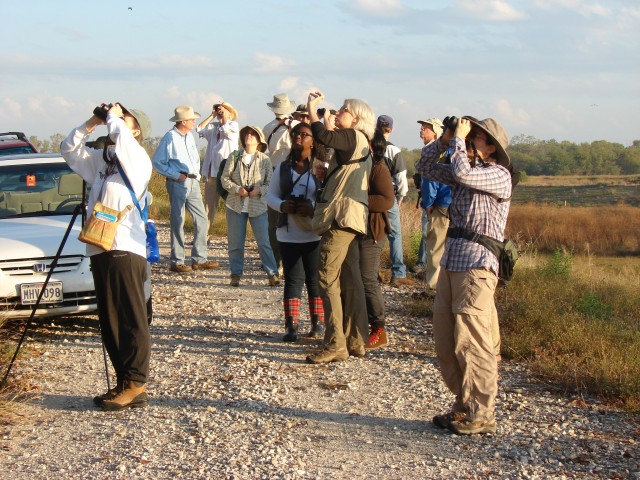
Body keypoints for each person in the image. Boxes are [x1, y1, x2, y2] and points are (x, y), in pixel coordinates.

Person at [416, 116, 512, 435]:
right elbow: (427, 167)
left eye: (476, 137)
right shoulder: (466, 169)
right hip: (453, 259)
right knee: (446, 338)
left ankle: (482, 411)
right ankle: (463, 403)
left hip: (477, 263)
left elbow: (461, 172)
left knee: (473, 339)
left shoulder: (499, 175)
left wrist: (458, 139)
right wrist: (444, 140)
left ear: (491, 146)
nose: (469, 141)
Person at [60, 102, 152, 410]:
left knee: (131, 317)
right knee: (110, 319)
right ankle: (124, 381)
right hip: (99, 246)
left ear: (135, 130)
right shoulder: (103, 160)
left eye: (126, 118)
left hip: (126, 247)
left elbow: (122, 137)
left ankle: (137, 382)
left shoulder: (137, 158)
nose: (116, 121)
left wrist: (115, 117)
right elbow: (69, 150)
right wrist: (92, 122)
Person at [305, 92, 374, 364]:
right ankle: (354, 340)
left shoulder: (353, 136)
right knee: (346, 278)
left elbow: (324, 137)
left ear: (356, 118)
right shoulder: (360, 144)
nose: (338, 112)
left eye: (344, 109)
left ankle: (336, 344)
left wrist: (314, 112)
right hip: (353, 218)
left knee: (326, 277)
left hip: (341, 217)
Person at [267, 122, 325, 341]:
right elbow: (270, 196)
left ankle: (317, 324)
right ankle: (291, 326)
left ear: (313, 141)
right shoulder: (282, 168)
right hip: (288, 231)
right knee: (292, 279)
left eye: (304, 134)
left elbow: (328, 198)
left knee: (313, 279)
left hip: (313, 232)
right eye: (296, 134)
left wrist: (312, 208)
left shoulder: (321, 168)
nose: (299, 137)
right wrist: (283, 205)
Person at [152, 105, 219, 273]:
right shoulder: (169, 138)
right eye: (191, 119)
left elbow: (195, 159)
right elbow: (158, 162)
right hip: (178, 182)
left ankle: (199, 259)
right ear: (183, 121)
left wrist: (196, 175)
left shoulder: (189, 136)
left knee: (202, 219)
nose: (194, 121)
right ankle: (177, 261)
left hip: (193, 182)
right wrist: (176, 175)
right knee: (178, 220)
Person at [221, 125, 279, 287]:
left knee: (263, 242)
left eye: (253, 134)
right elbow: (225, 179)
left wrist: (259, 190)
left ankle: (272, 273)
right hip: (235, 205)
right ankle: (236, 274)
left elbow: (271, 183)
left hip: (258, 206)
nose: (249, 135)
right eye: (247, 133)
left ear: (259, 140)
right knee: (235, 243)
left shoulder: (265, 160)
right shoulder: (234, 156)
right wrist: (237, 189)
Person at [360, 131, 395, 350]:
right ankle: (364, 325)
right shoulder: (364, 167)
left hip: (373, 231)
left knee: (368, 279)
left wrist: (358, 198)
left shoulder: (379, 169)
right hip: (361, 229)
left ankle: (379, 329)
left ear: (372, 147)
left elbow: (386, 201)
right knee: (361, 278)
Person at [263, 93, 299, 274]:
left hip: (273, 173)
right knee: (293, 219)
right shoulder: (298, 127)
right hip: (295, 174)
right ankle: (291, 261)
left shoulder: (267, 128)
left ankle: (274, 261)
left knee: (273, 221)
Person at [414, 118, 451, 292]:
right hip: (450, 205)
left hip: (439, 205)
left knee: (435, 247)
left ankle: (432, 289)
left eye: (426, 128)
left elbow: (430, 181)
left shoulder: (434, 152)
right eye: (422, 128)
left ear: (436, 132)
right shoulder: (451, 151)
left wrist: (428, 203)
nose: (421, 131)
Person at [376, 115, 412, 286]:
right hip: (389, 195)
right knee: (395, 234)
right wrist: (400, 197)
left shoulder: (368, 146)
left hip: (370, 196)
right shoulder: (394, 151)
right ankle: (398, 273)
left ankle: (372, 269)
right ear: (391, 129)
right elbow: (401, 180)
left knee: (372, 233)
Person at [196, 101, 240, 236]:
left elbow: (226, 131)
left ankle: (234, 236)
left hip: (228, 174)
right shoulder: (213, 127)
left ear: (230, 112)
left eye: (223, 109)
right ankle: (203, 236)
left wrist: (224, 117)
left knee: (232, 206)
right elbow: (199, 129)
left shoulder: (233, 125)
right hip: (212, 173)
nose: (220, 111)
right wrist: (212, 115)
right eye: (219, 109)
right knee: (208, 207)